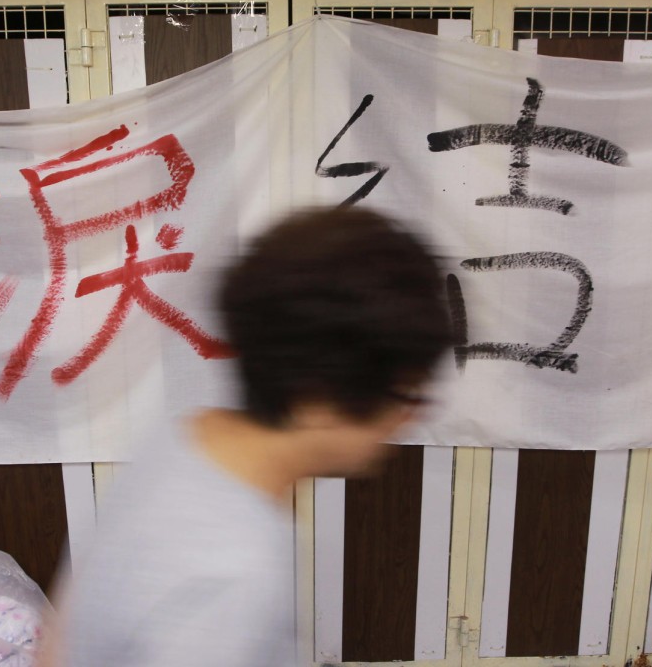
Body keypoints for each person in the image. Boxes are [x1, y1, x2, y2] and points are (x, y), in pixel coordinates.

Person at [39, 206, 454, 667]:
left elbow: (57, 648)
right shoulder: (233, 565)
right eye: (405, 394)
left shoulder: (187, 438)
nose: (409, 418)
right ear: (316, 399)